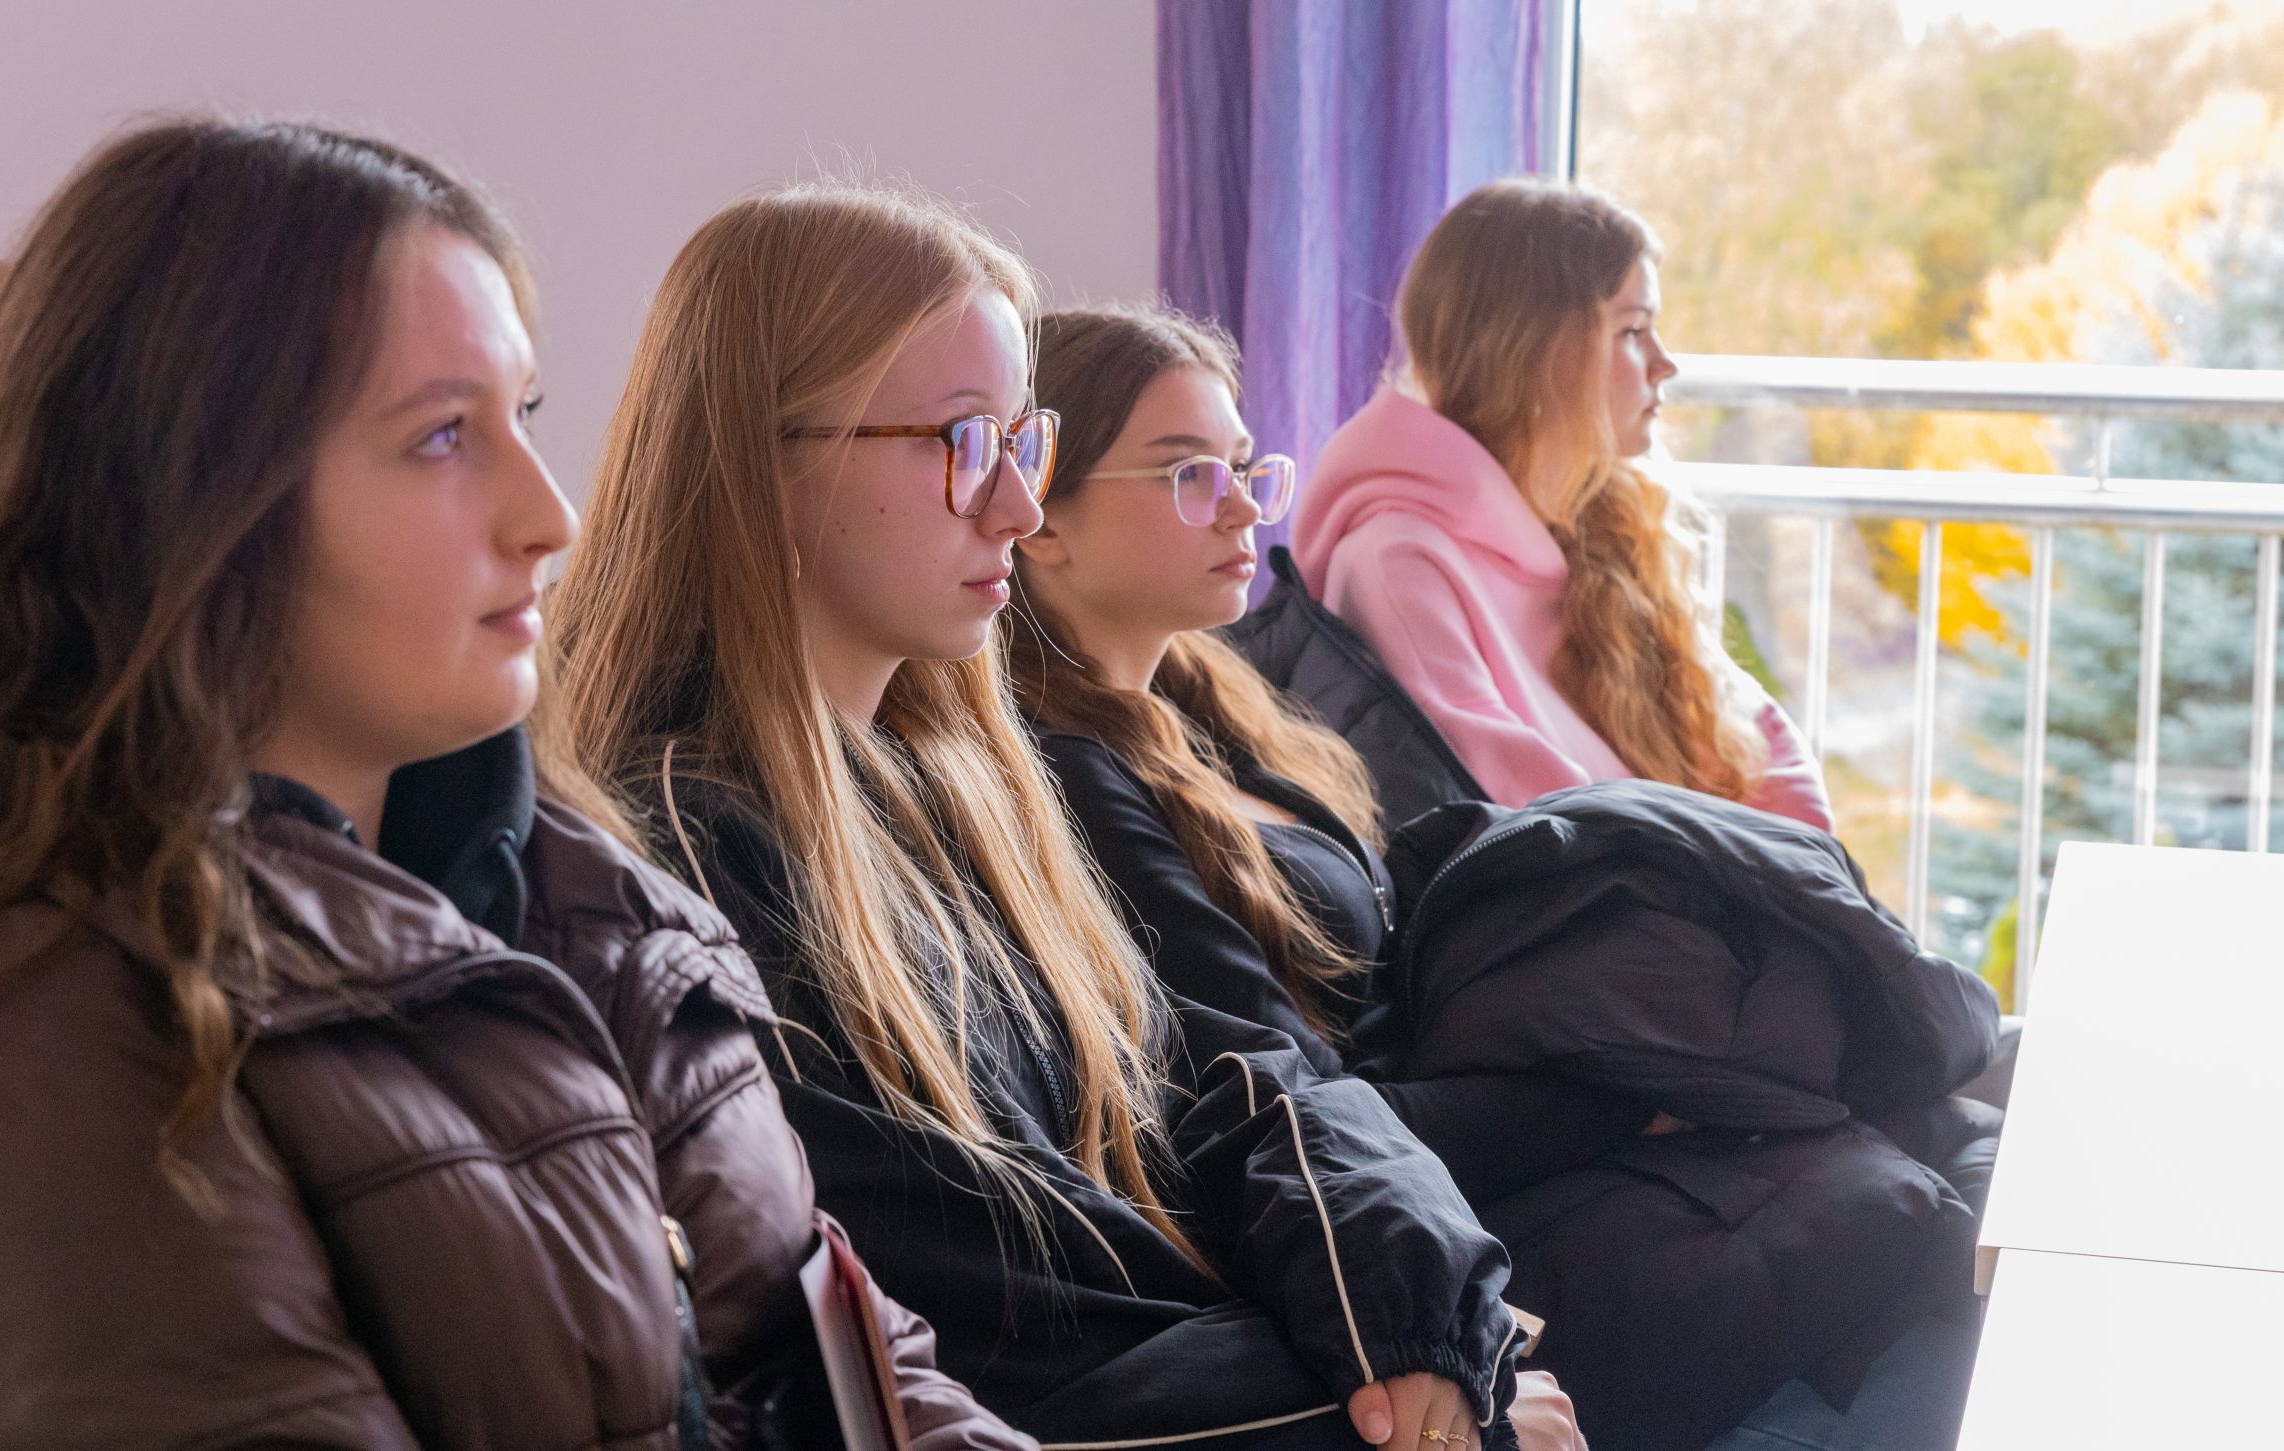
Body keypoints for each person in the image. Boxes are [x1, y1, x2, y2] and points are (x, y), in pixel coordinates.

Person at [0, 121, 1019, 1451]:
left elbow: (860, 1381)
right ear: (185, 498)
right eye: (442, 435)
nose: (552, 515)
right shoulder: (30, 1033)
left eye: (522, 415)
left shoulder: (591, 902)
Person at [542, 184, 1582, 1451]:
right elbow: (1006, 1342)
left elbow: (1223, 1085)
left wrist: (1426, 1324)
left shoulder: (971, 784)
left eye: (1019, 444)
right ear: (765, 457)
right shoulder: (690, 845)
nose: (1017, 510)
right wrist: (1402, 1416)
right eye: (961, 443)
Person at [1012, 303, 1991, 1451]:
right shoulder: (1079, 784)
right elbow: (1277, 1103)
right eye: (1186, 474)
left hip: (1466, 1135)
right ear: (1040, 518)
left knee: (1954, 1150)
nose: (1239, 506)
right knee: (1927, 1252)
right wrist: (1614, 1093)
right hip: (1411, 1211)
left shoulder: (1208, 708)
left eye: (1241, 467)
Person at [1292, 179, 1830, 829]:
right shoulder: (1397, 563)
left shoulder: (1601, 521)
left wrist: (1811, 864)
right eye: (1633, 331)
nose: (1665, 364)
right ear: (1534, 352)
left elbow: (1754, 740)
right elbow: (1537, 828)